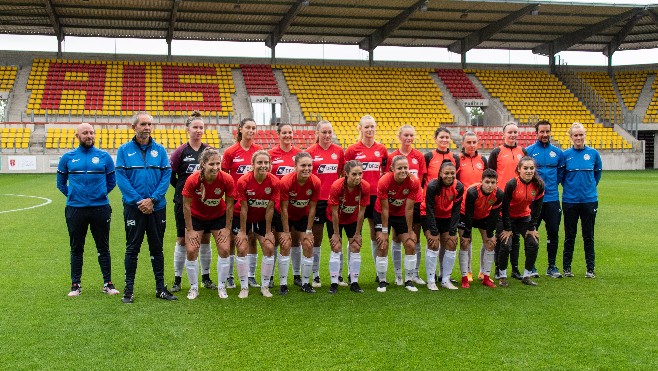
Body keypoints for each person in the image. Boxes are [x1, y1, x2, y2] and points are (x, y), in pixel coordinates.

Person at [116, 111, 175, 303]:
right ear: (133, 127)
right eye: (143, 124)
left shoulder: (160, 150)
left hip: (157, 208)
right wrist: (139, 201)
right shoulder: (124, 150)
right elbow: (121, 179)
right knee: (132, 249)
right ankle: (129, 290)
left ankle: (160, 288)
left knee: (157, 248)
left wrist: (153, 200)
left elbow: (166, 177)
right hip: (134, 208)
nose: (147, 127)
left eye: (150, 124)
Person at [57, 122, 118, 297]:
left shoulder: (104, 156)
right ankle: (75, 285)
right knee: (76, 247)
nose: (89, 136)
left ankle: (108, 283)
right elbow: (60, 183)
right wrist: (73, 195)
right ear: (77, 136)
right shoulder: (68, 158)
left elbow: (112, 181)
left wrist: (99, 194)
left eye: (91, 132)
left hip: (100, 209)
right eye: (85, 133)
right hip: (75, 209)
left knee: (103, 247)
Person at [169, 111, 216, 293]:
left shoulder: (208, 151)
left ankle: (205, 277)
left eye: (201, 127)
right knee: (182, 239)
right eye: (195, 127)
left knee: (205, 239)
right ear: (187, 129)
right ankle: (177, 280)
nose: (198, 130)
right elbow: (171, 176)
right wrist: (183, 191)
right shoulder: (180, 152)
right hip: (184, 202)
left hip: (205, 203)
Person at [181, 148, 236, 299]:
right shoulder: (192, 180)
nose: (216, 167)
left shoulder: (227, 179)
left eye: (218, 163)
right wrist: (190, 229)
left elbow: (230, 205)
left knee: (225, 249)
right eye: (212, 164)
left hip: (218, 217)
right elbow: (185, 205)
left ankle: (221, 286)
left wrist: (227, 228)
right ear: (203, 164)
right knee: (191, 251)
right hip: (196, 217)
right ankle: (193, 288)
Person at [345, 115, 388, 282]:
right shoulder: (352, 150)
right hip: (357, 196)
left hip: (376, 197)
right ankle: (351, 273)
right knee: (354, 233)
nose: (370, 130)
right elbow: (346, 174)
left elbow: (383, 172)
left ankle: (379, 273)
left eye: (372, 127)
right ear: (360, 128)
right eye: (367, 127)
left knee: (375, 234)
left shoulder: (382, 149)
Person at [221, 118, 263, 289]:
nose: (251, 131)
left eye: (254, 128)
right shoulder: (231, 152)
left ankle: (250, 276)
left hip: (254, 203)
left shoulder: (259, 151)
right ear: (240, 129)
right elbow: (223, 177)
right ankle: (230, 276)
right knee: (232, 239)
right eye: (248, 128)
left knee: (252, 238)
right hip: (236, 203)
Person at [233, 150, 280, 298]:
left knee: (269, 247)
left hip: (261, 218)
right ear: (252, 164)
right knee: (241, 248)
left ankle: (265, 286)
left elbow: (270, 208)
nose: (263, 165)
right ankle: (244, 287)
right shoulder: (243, 181)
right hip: (243, 217)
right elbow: (244, 208)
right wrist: (241, 231)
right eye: (259, 162)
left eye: (266, 162)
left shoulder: (274, 182)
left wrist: (268, 232)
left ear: (270, 165)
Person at [560, 122, 602, 278]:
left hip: (589, 200)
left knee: (588, 235)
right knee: (569, 235)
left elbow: (597, 175)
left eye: (581, 134)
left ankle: (590, 269)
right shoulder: (565, 155)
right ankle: (567, 268)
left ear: (585, 135)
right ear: (571, 137)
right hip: (570, 201)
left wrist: (588, 188)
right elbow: (562, 177)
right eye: (575, 135)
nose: (578, 137)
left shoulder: (593, 154)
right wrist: (572, 188)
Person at [306, 120, 345, 288]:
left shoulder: (339, 151)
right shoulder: (310, 152)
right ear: (317, 133)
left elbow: (343, 175)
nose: (328, 135)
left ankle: (339, 275)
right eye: (324, 132)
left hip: (334, 201)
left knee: (337, 236)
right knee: (317, 238)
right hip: (317, 201)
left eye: (330, 132)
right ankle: (315, 275)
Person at [373, 155, 420, 293]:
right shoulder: (384, 181)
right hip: (382, 213)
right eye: (400, 168)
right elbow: (385, 209)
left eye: (406, 167)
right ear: (392, 168)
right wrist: (384, 231)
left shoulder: (413, 181)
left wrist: (410, 230)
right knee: (383, 244)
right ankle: (382, 281)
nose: (403, 170)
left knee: (411, 244)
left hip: (401, 214)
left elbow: (409, 208)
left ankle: (408, 280)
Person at [525, 120, 565, 278]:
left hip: (552, 199)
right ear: (536, 133)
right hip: (534, 200)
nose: (545, 134)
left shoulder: (558, 153)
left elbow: (561, 175)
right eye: (542, 132)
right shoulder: (528, 151)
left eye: (547, 131)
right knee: (531, 232)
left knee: (553, 232)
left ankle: (552, 266)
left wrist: (553, 185)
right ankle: (531, 267)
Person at [487, 122, 527, 281]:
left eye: (515, 132)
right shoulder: (497, 152)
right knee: (502, 236)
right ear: (503, 134)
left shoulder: (523, 152)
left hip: (517, 200)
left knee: (515, 237)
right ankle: (499, 268)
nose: (513, 135)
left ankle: (515, 269)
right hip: (501, 200)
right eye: (510, 132)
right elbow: (489, 175)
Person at [278, 152, 321, 294]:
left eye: (309, 165)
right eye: (303, 165)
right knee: (285, 245)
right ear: (295, 166)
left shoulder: (315, 182)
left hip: (303, 215)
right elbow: (283, 208)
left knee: (308, 244)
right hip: (286, 216)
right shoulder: (286, 181)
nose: (306, 168)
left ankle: (305, 283)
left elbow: (313, 207)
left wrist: (309, 231)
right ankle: (283, 284)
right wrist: (285, 232)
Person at [389, 125, 427, 286]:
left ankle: (414, 273)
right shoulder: (392, 156)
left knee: (414, 237)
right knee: (397, 237)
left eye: (411, 135)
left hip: (415, 201)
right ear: (399, 137)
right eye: (406, 135)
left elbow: (422, 179)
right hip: (397, 202)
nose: (409, 138)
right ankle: (398, 275)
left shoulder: (419, 156)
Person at [498, 156, 545, 287]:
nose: (529, 171)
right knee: (506, 243)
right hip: (506, 217)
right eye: (525, 168)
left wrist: (532, 227)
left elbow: (537, 209)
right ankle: (502, 276)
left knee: (533, 243)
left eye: (531, 168)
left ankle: (527, 275)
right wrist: (507, 229)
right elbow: (505, 206)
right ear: (519, 169)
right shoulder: (512, 184)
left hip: (524, 217)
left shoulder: (539, 185)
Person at [327, 160, 370, 294]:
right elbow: (334, 212)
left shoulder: (365, 186)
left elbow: (362, 211)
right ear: (346, 174)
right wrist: (336, 233)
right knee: (336, 247)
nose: (358, 177)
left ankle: (354, 282)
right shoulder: (337, 186)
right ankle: (334, 283)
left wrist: (357, 233)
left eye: (360, 174)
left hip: (352, 218)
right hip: (335, 218)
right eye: (354, 174)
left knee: (356, 246)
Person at [268, 123, 302, 289]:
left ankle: (296, 275)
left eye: (290, 133)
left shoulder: (300, 155)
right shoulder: (271, 154)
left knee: (295, 240)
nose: (288, 135)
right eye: (284, 133)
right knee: (275, 240)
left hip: (295, 205)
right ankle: (271, 275)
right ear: (278, 134)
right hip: (276, 205)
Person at [423, 127, 460, 282]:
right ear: (435, 138)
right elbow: (423, 179)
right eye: (442, 137)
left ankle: (444, 275)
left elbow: (456, 180)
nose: (445, 140)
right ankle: (429, 276)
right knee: (433, 241)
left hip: (447, 207)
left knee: (449, 242)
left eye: (447, 137)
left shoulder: (455, 158)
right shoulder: (429, 156)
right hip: (430, 204)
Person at [423, 161, 464, 290]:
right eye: (446, 173)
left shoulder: (459, 187)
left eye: (452, 173)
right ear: (440, 174)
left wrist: (453, 232)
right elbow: (429, 208)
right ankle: (430, 279)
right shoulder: (432, 186)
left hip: (447, 216)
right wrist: (434, 232)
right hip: (429, 215)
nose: (449, 176)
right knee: (433, 243)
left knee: (452, 243)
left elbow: (456, 210)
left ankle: (445, 279)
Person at [458, 169, 503, 288]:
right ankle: (465, 276)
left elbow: (494, 215)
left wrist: (490, 234)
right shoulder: (472, 192)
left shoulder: (499, 194)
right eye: (487, 182)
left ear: (496, 183)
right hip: (465, 214)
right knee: (465, 243)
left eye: (493, 182)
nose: (490, 185)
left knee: (490, 243)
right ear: (481, 181)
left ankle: (485, 276)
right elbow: (468, 214)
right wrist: (467, 233)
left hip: (483, 216)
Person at [457, 131, 488, 282]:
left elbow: (489, 181)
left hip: (482, 207)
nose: (471, 145)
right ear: (463, 144)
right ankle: (467, 271)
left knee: (487, 239)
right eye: (468, 142)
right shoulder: (458, 160)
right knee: (465, 240)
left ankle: (483, 271)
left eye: (474, 142)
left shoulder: (483, 160)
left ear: (478, 143)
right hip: (464, 207)